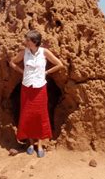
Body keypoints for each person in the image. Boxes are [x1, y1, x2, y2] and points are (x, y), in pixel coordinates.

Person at [9, 29, 64, 157]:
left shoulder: (44, 52)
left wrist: (46, 73)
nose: (25, 42)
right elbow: (12, 62)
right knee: (27, 115)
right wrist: (22, 72)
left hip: (40, 88)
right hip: (26, 87)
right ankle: (29, 143)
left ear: (34, 41)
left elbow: (59, 64)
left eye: (27, 40)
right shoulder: (24, 53)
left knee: (40, 116)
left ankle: (39, 144)